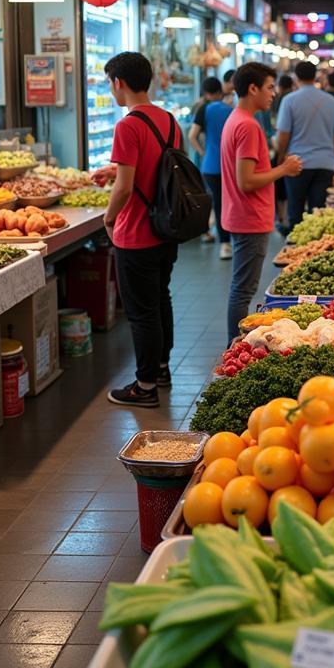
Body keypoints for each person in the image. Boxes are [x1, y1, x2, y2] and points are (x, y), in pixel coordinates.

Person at [101, 52, 180, 408]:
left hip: (135, 234)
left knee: (141, 312)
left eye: (110, 83)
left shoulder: (128, 125)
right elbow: (157, 169)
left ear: (119, 82)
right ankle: (161, 369)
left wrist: (108, 216)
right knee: (160, 299)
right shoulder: (169, 120)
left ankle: (145, 386)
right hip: (166, 228)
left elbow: (126, 187)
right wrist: (113, 172)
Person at [221, 62, 302, 342]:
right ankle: (235, 345)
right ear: (252, 88)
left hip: (240, 214)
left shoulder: (235, 120)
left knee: (240, 287)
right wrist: (284, 169)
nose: (273, 94)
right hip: (249, 217)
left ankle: (235, 343)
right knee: (243, 290)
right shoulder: (248, 126)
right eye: (269, 88)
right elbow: (246, 180)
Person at [276, 61, 334, 228]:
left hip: (296, 164)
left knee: (296, 211)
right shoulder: (331, 101)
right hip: (325, 163)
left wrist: (280, 158)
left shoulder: (289, 100)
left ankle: (295, 250)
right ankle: (316, 250)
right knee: (319, 214)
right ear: (315, 76)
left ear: (296, 77)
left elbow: (283, 135)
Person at [189, 76, 234, 259]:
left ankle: (223, 243)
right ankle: (231, 239)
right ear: (220, 91)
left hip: (211, 165)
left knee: (217, 202)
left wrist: (202, 152)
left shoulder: (203, 110)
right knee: (230, 202)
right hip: (231, 165)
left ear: (206, 93)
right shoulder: (231, 110)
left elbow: (192, 136)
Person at [271, 75, 295, 235]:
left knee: (284, 189)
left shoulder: (284, 100)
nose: (272, 93)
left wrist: (281, 154)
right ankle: (284, 216)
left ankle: (283, 217)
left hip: (286, 151)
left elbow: (282, 131)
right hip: (290, 153)